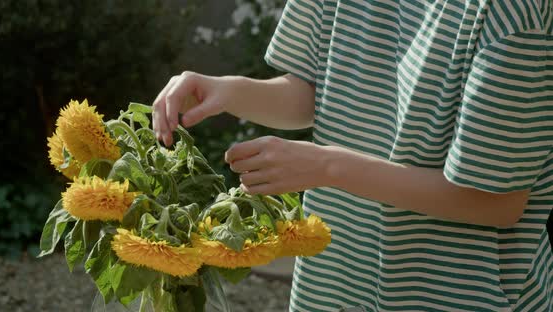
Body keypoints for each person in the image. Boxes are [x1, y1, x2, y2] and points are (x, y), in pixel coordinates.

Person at [152, 1, 553, 311]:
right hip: (335, 284)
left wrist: (328, 165)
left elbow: (497, 202)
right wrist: (227, 90)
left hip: (461, 297)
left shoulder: (510, 13)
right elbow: (311, 91)